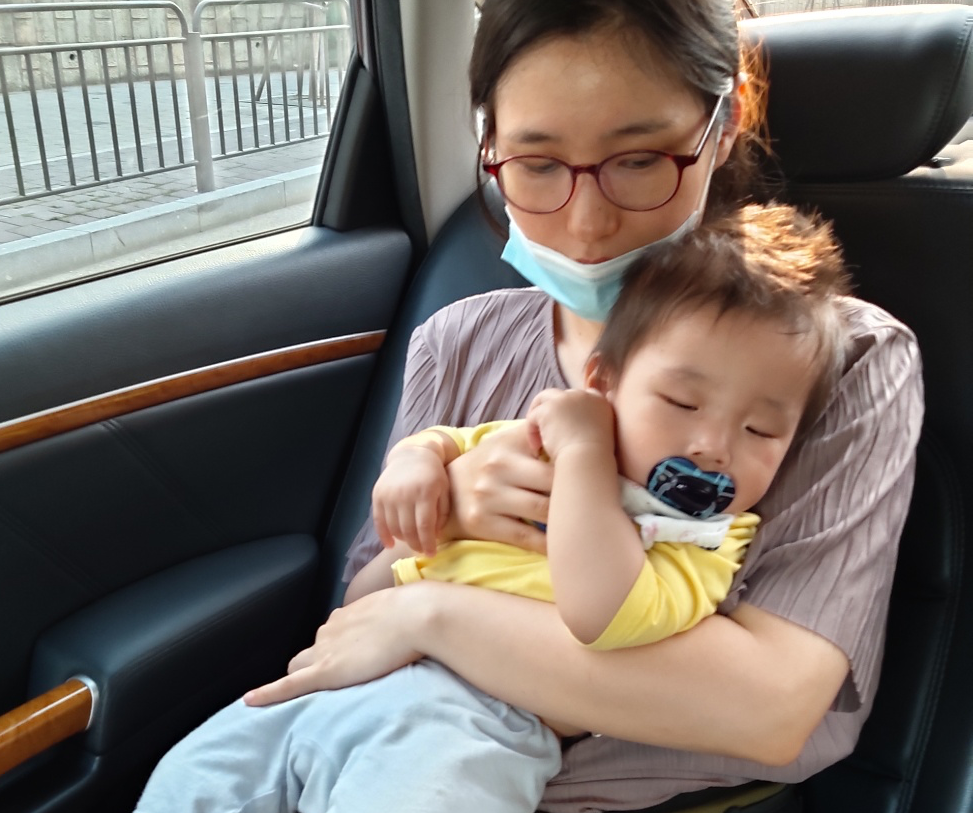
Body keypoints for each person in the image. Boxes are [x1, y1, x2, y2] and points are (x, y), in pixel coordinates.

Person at [142, 1, 924, 810]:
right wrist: (447, 511)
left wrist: (432, 617)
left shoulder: (837, 360)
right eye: (537, 164)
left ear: (722, 126)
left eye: (639, 159)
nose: (586, 224)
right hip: (356, 745)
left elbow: (771, 711)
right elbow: (363, 612)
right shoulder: (458, 340)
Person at [135, 204, 852, 813]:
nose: (713, 445)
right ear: (603, 383)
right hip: (350, 673)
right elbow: (446, 446)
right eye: (682, 402)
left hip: (483, 721)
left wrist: (583, 457)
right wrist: (419, 466)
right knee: (186, 781)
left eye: (761, 430)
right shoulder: (530, 439)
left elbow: (603, 613)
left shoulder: (701, 533)